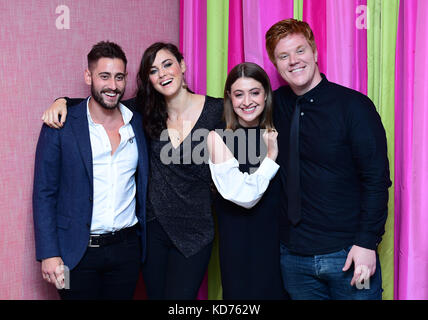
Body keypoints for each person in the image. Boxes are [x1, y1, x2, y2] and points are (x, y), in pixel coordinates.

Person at [41, 45, 286, 300]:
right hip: (153, 232)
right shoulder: (143, 110)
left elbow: (251, 113)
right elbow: (104, 100)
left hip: (195, 232)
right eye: (153, 70)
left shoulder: (218, 112)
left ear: (182, 65)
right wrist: (65, 102)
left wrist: (270, 153)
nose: (162, 74)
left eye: (168, 64)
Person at [264, 19, 391, 300]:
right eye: (284, 56)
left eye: (300, 51)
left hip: (349, 255)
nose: (294, 61)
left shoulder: (354, 107)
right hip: (293, 259)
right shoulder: (273, 106)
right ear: (275, 63)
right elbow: (235, 114)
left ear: (315, 52)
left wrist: (367, 243)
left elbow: (376, 179)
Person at [33, 41, 149, 300]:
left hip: (126, 251)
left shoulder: (137, 123)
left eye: (119, 77)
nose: (113, 85)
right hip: (75, 254)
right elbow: (44, 192)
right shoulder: (61, 123)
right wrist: (49, 254)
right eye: (104, 76)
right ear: (89, 76)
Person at [207, 62, 287, 299]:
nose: (247, 101)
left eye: (255, 92)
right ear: (229, 98)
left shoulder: (278, 131)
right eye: (239, 94)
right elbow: (245, 197)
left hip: (279, 244)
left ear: (266, 95)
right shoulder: (217, 137)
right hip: (239, 246)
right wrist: (271, 158)